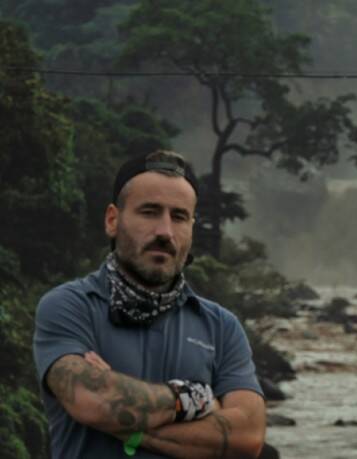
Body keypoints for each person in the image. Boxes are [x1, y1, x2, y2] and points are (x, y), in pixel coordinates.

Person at [33, 150, 267, 458]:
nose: (165, 232)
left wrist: (122, 420)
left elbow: (248, 436)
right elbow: (92, 400)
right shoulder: (69, 306)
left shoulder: (221, 327)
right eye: (149, 212)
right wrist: (197, 399)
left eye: (179, 217)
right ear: (113, 220)